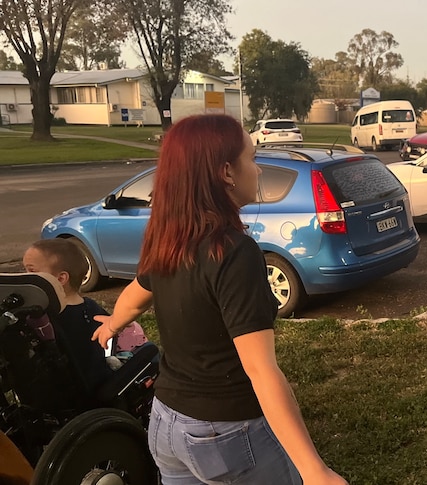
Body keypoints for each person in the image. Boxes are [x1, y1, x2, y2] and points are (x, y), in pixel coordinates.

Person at [91, 114, 347, 485]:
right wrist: (314, 470)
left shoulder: (168, 237)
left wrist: (113, 325)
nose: (257, 171)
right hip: (224, 434)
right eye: (252, 159)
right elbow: (260, 370)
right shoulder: (235, 253)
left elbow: (135, 296)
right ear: (227, 172)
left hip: (165, 425)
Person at [22, 239, 114, 394]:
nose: (24, 277)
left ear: (60, 279)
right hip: (94, 391)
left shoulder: (35, 318)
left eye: (31, 271)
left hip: (48, 395)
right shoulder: (92, 309)